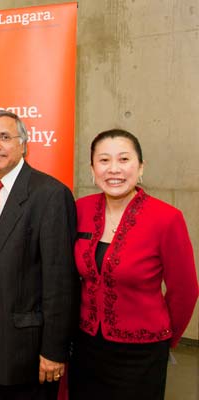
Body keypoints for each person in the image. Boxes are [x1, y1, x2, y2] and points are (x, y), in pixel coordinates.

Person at [0, 110, 78, 400]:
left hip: (27, 350)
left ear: (24, 144)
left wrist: (53, 350)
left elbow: (60, 282)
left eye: (4, 137)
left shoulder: (50, 194)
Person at [68, 129, 198, 399]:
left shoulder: (166, 218)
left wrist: (165, 340)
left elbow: (185, 290)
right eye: (103, 161)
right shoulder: (80, 209)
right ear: (92, 169)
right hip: (86, 346)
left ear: (140, 167)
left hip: (142, 352)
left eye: (124, 159)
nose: (113, 169)